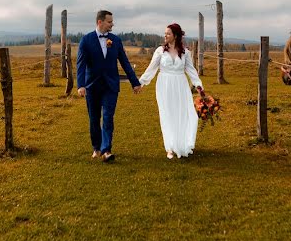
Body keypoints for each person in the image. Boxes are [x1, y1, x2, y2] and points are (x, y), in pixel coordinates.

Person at [77, 10, 142, 162]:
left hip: (111, 86)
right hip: (92, 86)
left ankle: (106, 150)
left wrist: (135, 82)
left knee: (107, 117)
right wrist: (81, 85)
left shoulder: (116, 40)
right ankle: (96, 147)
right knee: (94, 118)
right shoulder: (86, 40)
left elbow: (125, 62)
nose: (112, 24)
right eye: (109, 21)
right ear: (100, 22)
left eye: (112, 22)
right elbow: (80, 65)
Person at [138, 23, 204, 159]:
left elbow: (191, 71)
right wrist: (140, 83)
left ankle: (183, 143)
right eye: (165, 33)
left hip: (181, 85)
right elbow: (151, 68)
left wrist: (198, 86)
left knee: (184, 114)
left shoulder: (185, 52)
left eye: (168, 33)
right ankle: (170, 147)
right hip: (165, 85)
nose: (165, 36)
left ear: (175, 36)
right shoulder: (160, 51)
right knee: (167, 114)